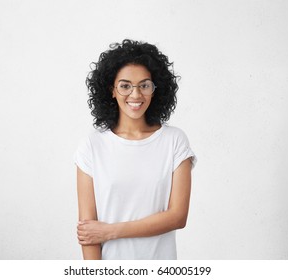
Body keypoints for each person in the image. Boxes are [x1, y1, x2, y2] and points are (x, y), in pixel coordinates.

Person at [74, 39, 196, 260]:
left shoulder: (174, 141)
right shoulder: (92, 146)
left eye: (144, 85)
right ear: (111, 90)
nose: (136, 94)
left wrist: (110, 231)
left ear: (155, 89)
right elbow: (88, 232)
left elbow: (178, 216)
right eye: (125, 85)